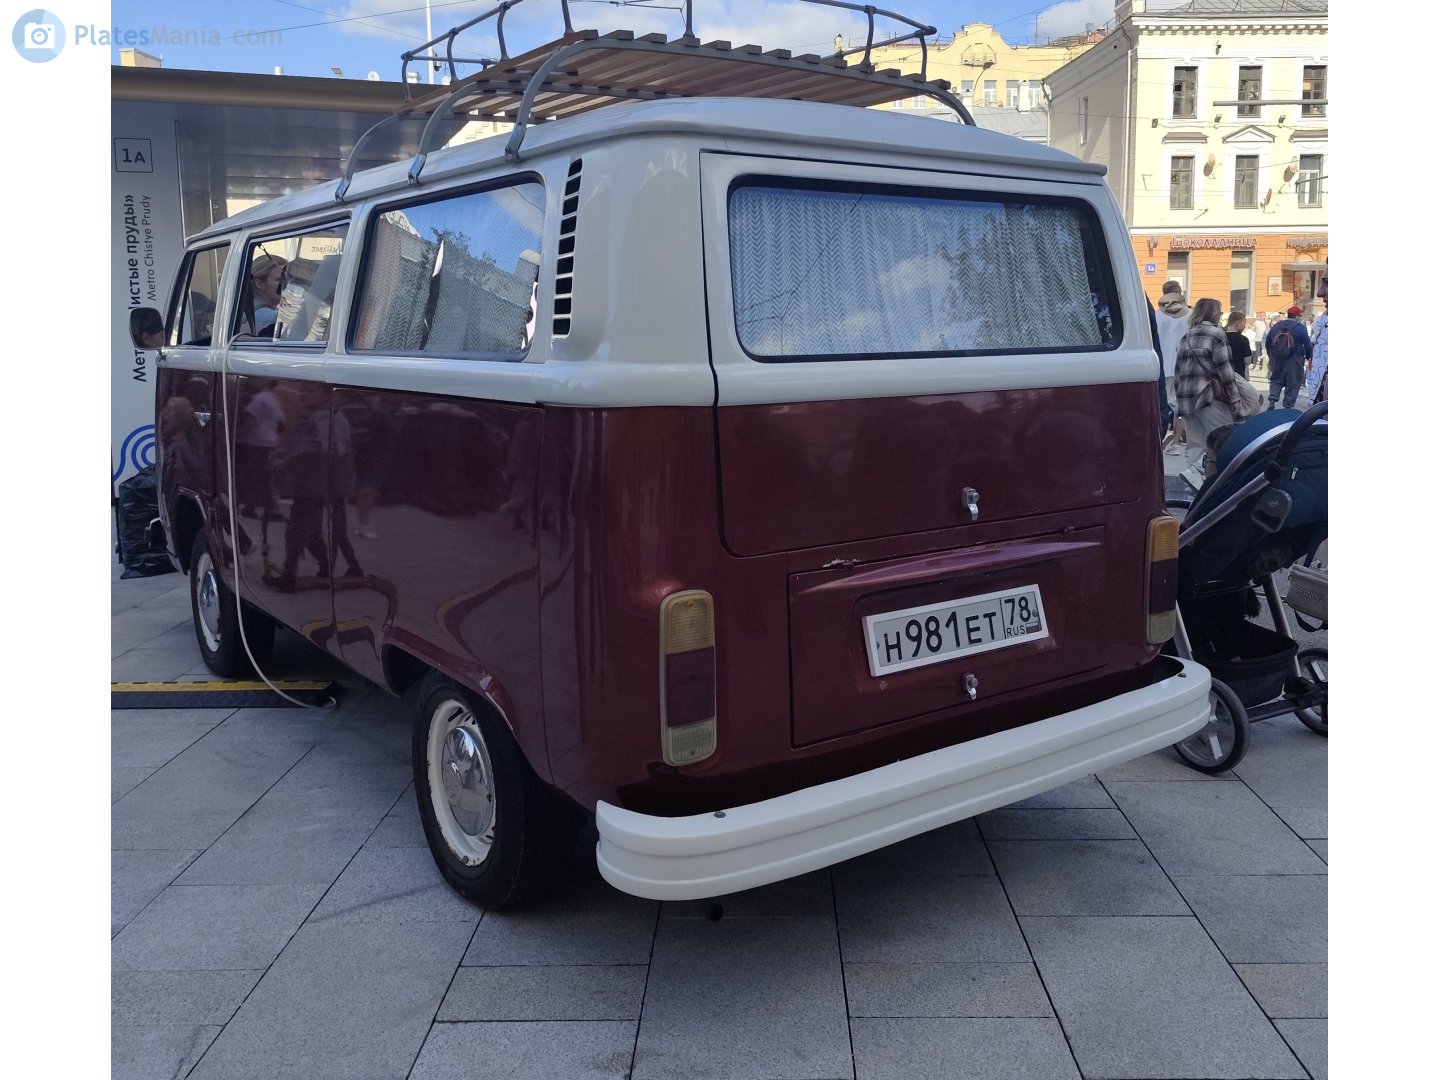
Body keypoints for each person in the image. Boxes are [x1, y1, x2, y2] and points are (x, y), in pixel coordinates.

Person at [1173, 298, 1244, 468]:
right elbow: (1225, 371)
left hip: (1187, 399)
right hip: (1209, 397)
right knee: (1222, 443)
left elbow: (1178, 372)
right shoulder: (1217, 334)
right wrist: (1235, 398)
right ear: (1214, 313)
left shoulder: (1186, 336)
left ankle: (1192, 487)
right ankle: (1217, 486)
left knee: (1195, 446)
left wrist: (1179, 399)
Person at [1154, 281, 1190, 452]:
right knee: (1179, 405)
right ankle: (1176, 441)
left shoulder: (1155, 315)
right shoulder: (1191, 314)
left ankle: (1161, 437)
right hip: (1184, 364)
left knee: (1159, 401)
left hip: (1161, 364)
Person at [1265, 304, 1313, 410]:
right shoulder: (1300, 328)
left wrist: (1270, 354)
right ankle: (1288, 406)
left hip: (1277, 359)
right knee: (1293, 382)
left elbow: (1268, 340)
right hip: (1295, 360)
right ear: (1297, 316)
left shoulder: (1277, 326)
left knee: (1276, 379)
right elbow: (1308, 344)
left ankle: (1272, 399)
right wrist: (1309, 356)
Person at [248, 254, 289, 335]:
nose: (286, 284)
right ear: (260, 284)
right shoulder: (274, 318)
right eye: (280, 279)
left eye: (288, 279)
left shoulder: (242, 314)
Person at [1224, 311, 1253, 378]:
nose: (1244, 326)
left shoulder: (1220, 337)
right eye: (1244, 323)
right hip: (1238, 375)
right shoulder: (1243, 340)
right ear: (1237, 323)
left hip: (1222, 375)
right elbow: (1247, 361)